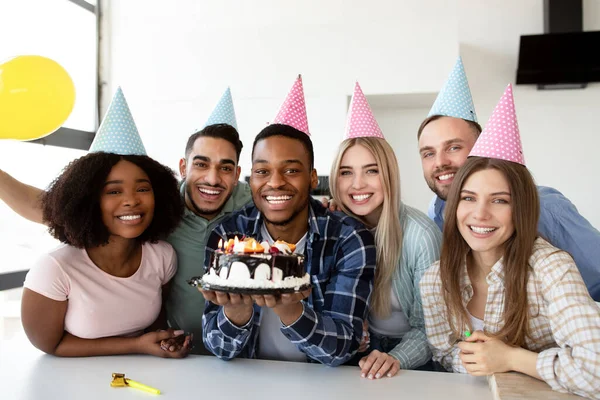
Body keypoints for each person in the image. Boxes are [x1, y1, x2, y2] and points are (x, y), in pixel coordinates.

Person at [0, 88, 252, 354]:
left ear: (237, 173)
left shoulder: (252, 207)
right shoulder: (162, 209)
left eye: (225, 168)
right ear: (183, 167)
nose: (212, 179)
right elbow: (46, 207)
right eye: (201, 164)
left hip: (238, 353)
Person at [420, 86, 600, 399]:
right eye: (468, 198)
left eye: (500, 200)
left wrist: (510, 358)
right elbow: (446, 353)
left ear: (521, 207)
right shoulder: (436, 279)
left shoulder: (551, 267)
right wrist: (477, 356)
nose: (481, 214)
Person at [200, 76, 376, 366]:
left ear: (312, 177)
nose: (275, 183)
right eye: (262, 171)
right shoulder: (228, 236)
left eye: (291, 170)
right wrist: (236, 313)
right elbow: (218, 348)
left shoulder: (349, 239)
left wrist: (291, 309)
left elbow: (344, 346)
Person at [21, 88, 190, 357]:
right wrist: (135, 346)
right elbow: (49, 344)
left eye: (143, 189)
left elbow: (154, 326)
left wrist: (164, 342)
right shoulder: (55, 268)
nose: (131, 201)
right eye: (113, 191)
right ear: (88, 201)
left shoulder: (162, 256)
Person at [418, 57, 600, 301]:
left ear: (481, 150)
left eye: (453, 148)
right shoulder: (436, 213)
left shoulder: (546, 207)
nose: (440, 162)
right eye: (428, 153)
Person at [328, 83, 441, 378]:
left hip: (413, 357)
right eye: (346, 172)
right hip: (357, 354)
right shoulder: (334, 230)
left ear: (388, 174)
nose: (358, 185)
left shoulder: (421, 235)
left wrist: (396, 357)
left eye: (371, 170)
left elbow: (431, 328)